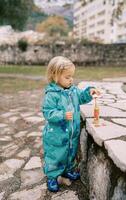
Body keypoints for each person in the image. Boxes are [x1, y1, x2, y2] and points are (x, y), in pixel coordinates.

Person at [42, 56, 100, 192]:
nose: (71, 80)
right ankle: (52, 176)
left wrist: (89, 92)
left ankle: (67, 170)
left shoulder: (73, 91)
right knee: (55, 155)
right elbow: (47, 112)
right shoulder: (52, 94)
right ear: (55, 76)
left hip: (71, 134)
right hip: (57, 135)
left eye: (71, 76)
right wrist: (61, 115)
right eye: (67, 77)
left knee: (70, 153)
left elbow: (82, 97)